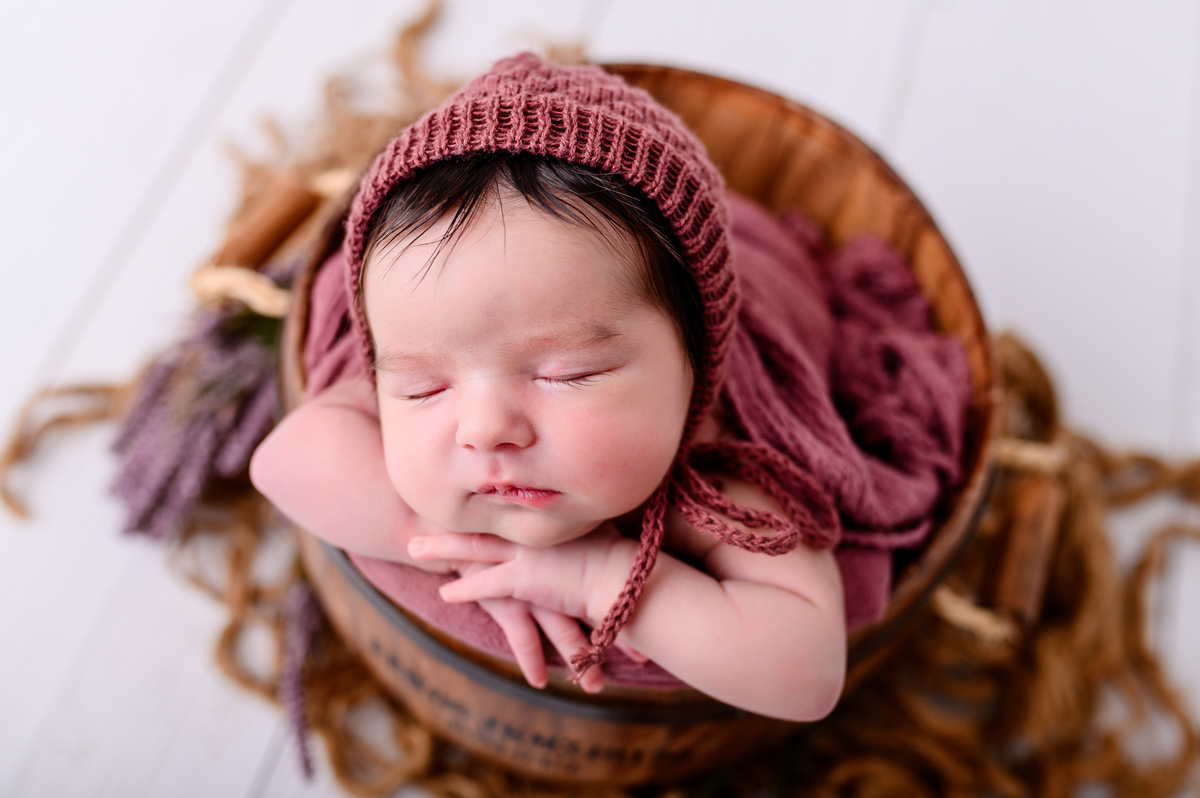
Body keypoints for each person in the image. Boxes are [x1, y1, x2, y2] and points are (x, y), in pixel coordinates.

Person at [250, 53, 969, 723]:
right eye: (423, 388)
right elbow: (282, 461)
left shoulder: (721, 474)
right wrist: (451, 547)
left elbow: (806, 672)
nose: (484, 428)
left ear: (696, 372)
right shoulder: (412, 338)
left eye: (568, 374)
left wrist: (599, 576)